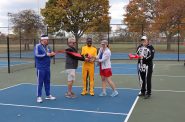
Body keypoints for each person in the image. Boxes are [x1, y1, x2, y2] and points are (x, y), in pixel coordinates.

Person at [34, 35, 56, 103]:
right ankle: (39, 97)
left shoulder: (48, 47)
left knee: (47, 81)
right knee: (40, 82)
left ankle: (48, 95)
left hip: (47, 67)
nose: (48, 41)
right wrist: (46, 54)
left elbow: (49, 56)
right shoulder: (37, 46)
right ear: (43, 40)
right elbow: (36, 55)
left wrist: (52, 55)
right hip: (40, 68)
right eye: (47, 40)